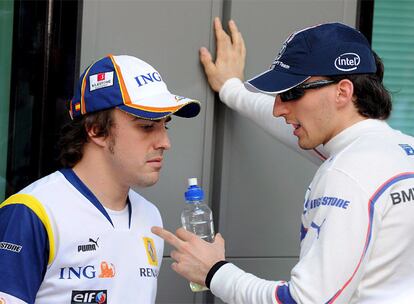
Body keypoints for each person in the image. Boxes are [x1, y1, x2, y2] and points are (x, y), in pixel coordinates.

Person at [152, 18, 414, 303]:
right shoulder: (397, 152)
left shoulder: (346, 174)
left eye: (292, 93)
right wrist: (232, 90)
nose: (278, 108)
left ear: (343, 92)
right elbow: (288, 123)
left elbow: (305, 300)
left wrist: (213, 272)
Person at [0, 54, 200, 304]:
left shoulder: (150, 217)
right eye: (147, 126)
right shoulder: (32, 213)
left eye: (164, 126)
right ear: (96, 130)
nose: (165, 143)